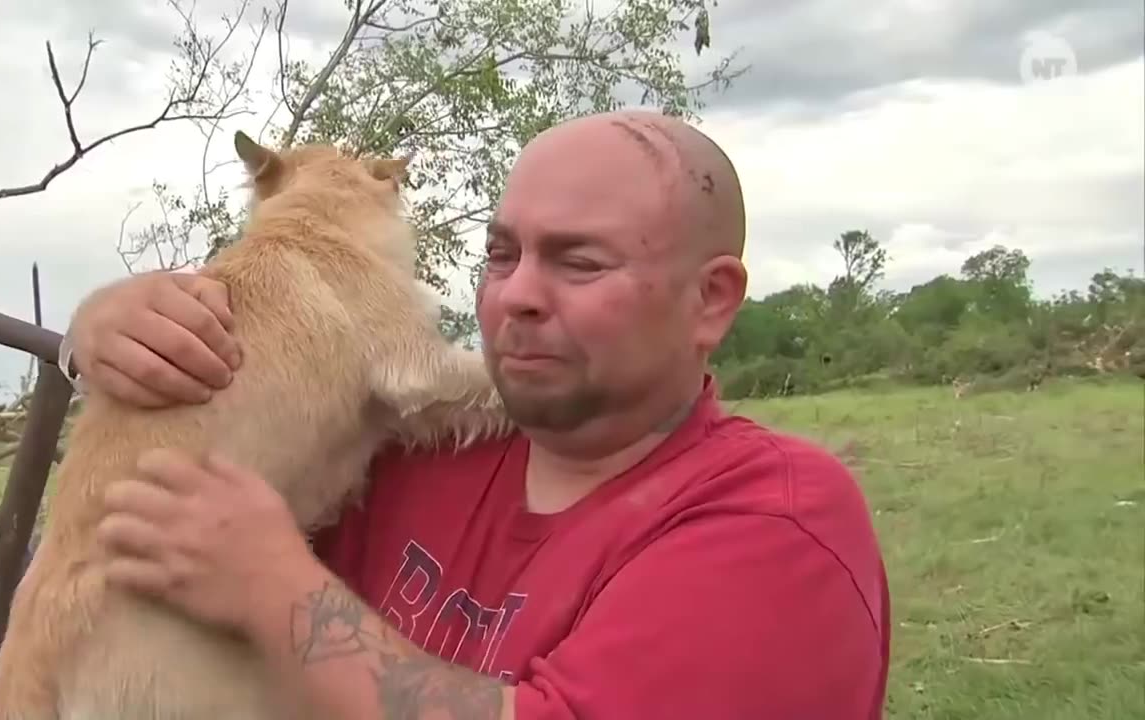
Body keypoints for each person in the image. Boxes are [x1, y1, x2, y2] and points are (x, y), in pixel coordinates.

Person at [64, 109, 891, 719]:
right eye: (502, 254)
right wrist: (107, 331)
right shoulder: (407, 447)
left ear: (710, 302)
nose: (518, 294)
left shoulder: (774, 521)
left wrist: (276, 589)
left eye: (579, 260)